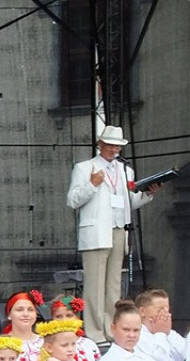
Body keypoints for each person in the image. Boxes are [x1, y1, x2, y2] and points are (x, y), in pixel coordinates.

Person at [66, 125, 158, 342]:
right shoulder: (85, 167)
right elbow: (72, 200)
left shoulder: (126, 170)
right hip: (97, 232)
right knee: (95, 284)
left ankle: (111, 328)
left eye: (117, 146)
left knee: (114, 283)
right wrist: (92, 184)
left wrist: (146, 194)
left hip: (119, 229)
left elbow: (130, 202)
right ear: (100, 145)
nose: (114, 149)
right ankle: (95, 332)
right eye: (109, 145)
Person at [134, 289, 186, 361]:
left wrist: (167, 333)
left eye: (167, 309)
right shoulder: (137, 337)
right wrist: (161, 334)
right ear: (142, 311)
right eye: (160, 310)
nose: (166, 314)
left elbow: (185, 359)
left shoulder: (171, 334)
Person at [2, 290, 45, 361]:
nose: (26, 314)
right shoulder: (1, 344)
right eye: (19, 309)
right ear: (9, 315)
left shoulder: (46, 343)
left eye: (30, 309)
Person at [49, 295, 100, 361]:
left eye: (69, 315)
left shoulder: (89, 345)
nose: (64, 320)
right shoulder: (49, 346)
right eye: (58, 316)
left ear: (78, 317)